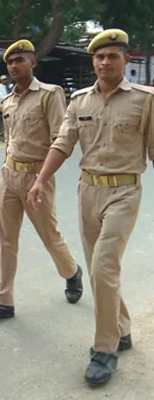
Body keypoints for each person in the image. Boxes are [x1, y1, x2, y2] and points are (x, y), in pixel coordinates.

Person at [28, 28, 154, 387]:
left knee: (102, 267)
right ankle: (121, 328)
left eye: (112, 56)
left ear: (126, 60)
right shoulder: (79, 100)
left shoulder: (145, 100)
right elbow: (62, 143)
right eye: (99, 57)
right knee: (101, 271)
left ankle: (104, 350)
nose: (105, 62)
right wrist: (40, 180)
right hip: (88, 192)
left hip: (124, 191)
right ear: (93, 62)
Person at [0, 39, 82, 324]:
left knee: (49, 236)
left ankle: (71, 272)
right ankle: (3, 302)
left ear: (33, 63)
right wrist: (6, 167)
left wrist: (41, 179)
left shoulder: (49, 95)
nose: (14, 66)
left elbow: (60, 140)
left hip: (38, 177)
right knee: (7, 241)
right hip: (10, 176)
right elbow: (10, 140)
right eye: (10, 62)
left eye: (19, 60)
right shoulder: (7, 101)